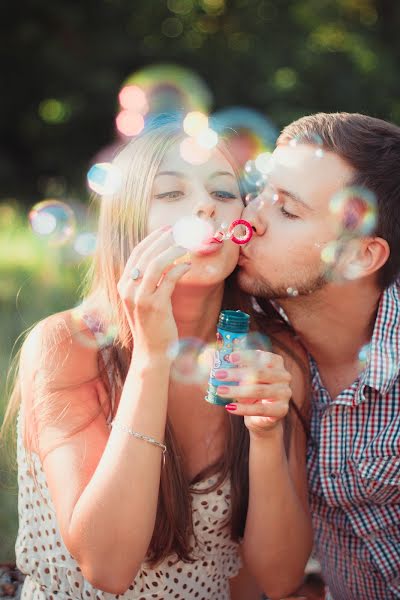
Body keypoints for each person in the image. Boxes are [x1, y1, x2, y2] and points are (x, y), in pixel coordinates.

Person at [1, 117, 312, 600]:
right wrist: (150, 358)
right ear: (127, 225)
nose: (207, 205)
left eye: (225, 193)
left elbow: (280, 579)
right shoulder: (66, 345)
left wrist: (267, 434)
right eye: (170, 194)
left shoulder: (272, 357)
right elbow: (107, 566)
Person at [238, 112, 400, 600]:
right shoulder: (250, 331)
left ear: (358, 256)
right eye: (258, 193)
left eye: (287, 211)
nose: (252, 220)